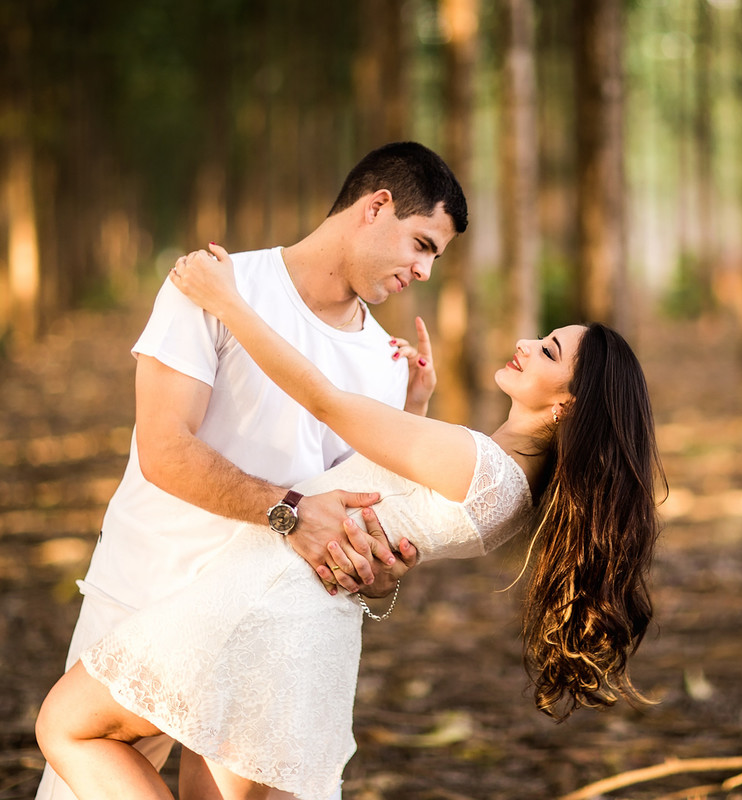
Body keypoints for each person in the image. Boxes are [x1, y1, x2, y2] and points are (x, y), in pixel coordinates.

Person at [36, 244, 663, 800]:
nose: (526, 344)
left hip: (263, 604)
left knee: (67, 726)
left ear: (566, 405)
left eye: (548, 350)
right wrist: (414, 404)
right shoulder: (510, 486)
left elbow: (324, 400)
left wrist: (227, 303)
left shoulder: (479, 464)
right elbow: (402, 509)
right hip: (298, 623)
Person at [36, 142, 468, 800]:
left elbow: (352, 522)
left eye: (435, 256)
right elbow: (164, 448)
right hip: (147, 589)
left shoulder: (387, 364)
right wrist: (289, 513)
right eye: (422, 244)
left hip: (262, 629)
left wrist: (379, 575)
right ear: (376, 206)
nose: (425, 270)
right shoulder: (213, 285)